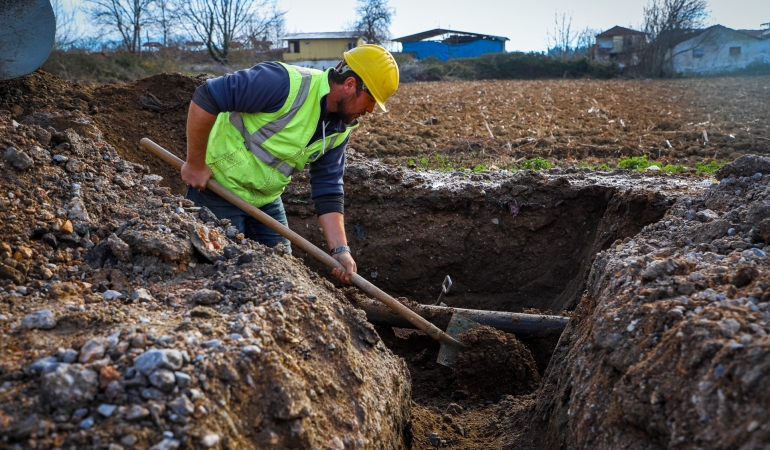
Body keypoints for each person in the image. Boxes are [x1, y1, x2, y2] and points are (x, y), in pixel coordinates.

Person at [181, 44, 399, 284]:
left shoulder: (340, 129)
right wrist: (195, 164)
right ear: (349, 84)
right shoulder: (283, 83)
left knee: (285, 277)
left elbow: (327, 187)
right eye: (371, 100)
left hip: (265, 199)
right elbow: (208, 96)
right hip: (218, 188)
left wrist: (340, 250)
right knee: (221, 273)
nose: (370, 110)